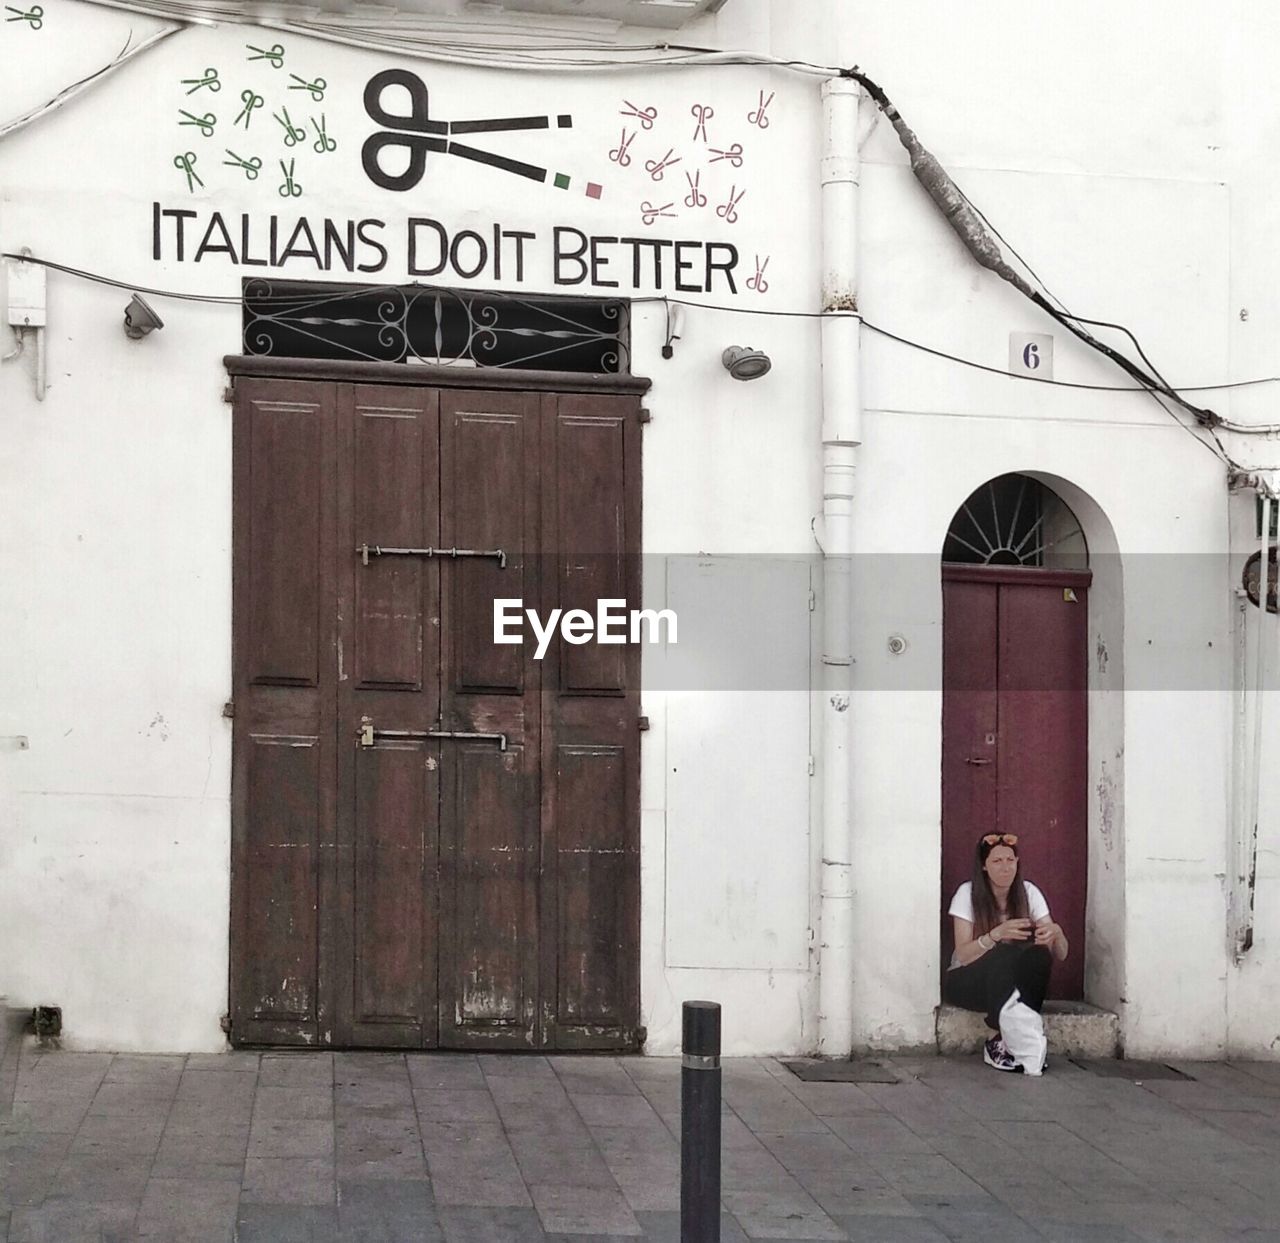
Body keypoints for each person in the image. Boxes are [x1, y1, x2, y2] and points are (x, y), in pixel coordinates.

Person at [943, 833, 1069, 1075]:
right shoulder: (966, 894)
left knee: (1039, 955)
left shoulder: (1029, 892)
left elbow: (1060, 953)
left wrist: (1056, 933)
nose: (1005, 868)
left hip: (1009, 985)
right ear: (984, 865)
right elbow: (963, 955)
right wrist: (994, 935)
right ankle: (996, 1037)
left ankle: (1022, 1039)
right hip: (967, 983)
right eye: (997, 861)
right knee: (1005, 953)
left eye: (1010, 860)